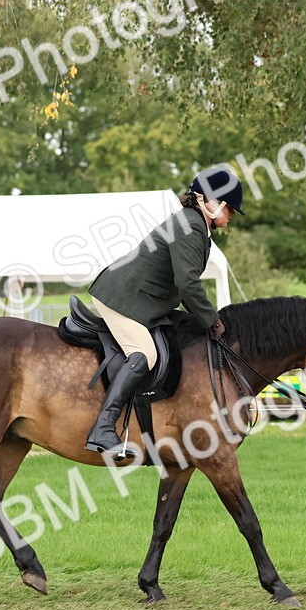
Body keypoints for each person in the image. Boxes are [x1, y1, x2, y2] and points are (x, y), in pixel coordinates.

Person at [84, 166, 244, 457]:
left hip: (143, 300)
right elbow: (187, 284)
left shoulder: (193, 223)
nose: (231, 214)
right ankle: (103, 428)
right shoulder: (191, 225)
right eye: (229, 207)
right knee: (144, 354)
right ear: (211, 202)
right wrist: (213, 321)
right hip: (123, 299)